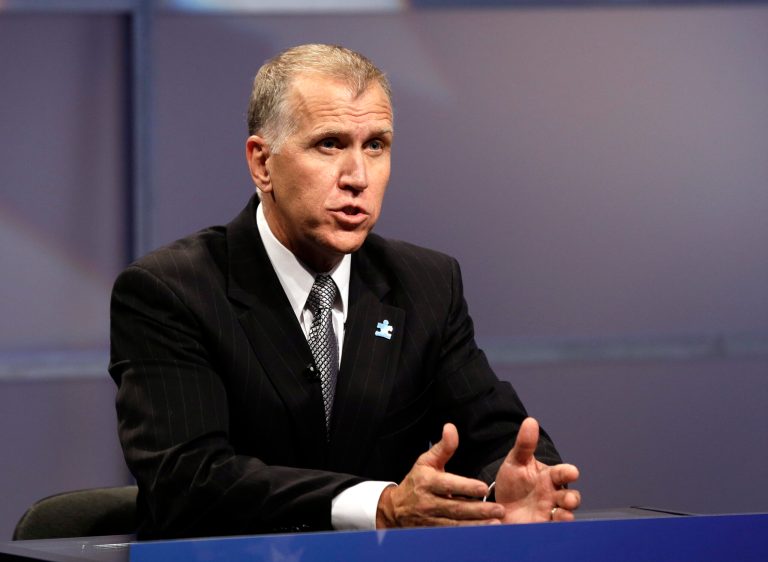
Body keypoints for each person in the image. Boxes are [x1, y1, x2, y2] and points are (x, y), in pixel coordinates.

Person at [109, 43, 581, 540]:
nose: (357, 177)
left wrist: (507, 488)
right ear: (262, 163)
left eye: (375, 145)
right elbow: (187, 479)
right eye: (330, 144)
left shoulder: (424, 284)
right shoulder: (172, 291)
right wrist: (378, 504)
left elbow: (497, 434)